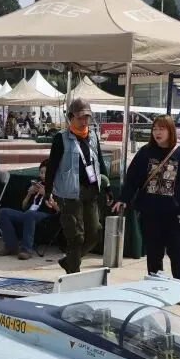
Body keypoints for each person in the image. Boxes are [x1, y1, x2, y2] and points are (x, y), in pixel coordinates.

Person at [113, 115, 180, 281]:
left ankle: (179, 284)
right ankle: (155, 283)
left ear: (171, 131)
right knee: (154, 253)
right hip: (151, 213)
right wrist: (123, 198)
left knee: (178, 250)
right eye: (154, 129)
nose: (157, 133)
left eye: (162, 129)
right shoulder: (145, 153)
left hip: (175, 213)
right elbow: (132, 178)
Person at [44, 98, 108, 274]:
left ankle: (69, 261)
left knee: (95, 233)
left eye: (86, 117)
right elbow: (52, 166)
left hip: (91, 190)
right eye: (80, 117)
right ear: (70, 117)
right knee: (76, 237)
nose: (84, 121)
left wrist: (107, 186)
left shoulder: (93, 136)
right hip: (69, 192)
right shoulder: (61, 138)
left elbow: (100, 161)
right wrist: (48, 191)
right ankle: (74, 274)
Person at [0, 159, 58, 260]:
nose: (43, 175)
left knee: (30, 214)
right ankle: (11, 245)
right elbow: (23, 207)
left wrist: (46, 194)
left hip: (46, 215)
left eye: (45, 173)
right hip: (29, 213)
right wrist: (29, 194)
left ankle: (27, 249)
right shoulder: (37, 184)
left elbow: (58, 209)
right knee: (4, 212)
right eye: (41, 173)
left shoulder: (57, 187)